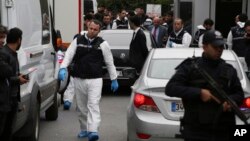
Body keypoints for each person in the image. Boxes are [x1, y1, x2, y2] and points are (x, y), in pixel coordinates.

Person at [165, 30, 244, 141]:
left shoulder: (229, 70)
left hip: (223, 130)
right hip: (196, 130)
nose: (219, 50)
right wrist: (199, 93)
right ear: (205, 46)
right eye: (215, 46)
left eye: (221, 46)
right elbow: (170, 88)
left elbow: (239, 94)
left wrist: (231, 101)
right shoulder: (190, 67)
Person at [58, 20, 119, 141]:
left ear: (99, 31)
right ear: (88, 27)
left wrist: (114, 79)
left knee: (93, 105)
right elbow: (69, 55)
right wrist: (63, 68)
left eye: (95, 30)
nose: (92, 31)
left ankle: (93, 130)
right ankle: (84, 129)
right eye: (91, 28)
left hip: (95, 79)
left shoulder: (103, 44)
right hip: (79, 78)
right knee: (81, 107)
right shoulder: (78, 40)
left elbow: (109, 62)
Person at [0, 27, 29, 141]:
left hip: (9, 99)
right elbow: (5, 74)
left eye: (3, 37)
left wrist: (17, 76)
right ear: (19, 40)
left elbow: (8, 75)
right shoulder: (4, 54)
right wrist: (17, 79)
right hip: (5, 100)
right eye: (1, 37)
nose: (3, 41)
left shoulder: (9, 54)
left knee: (8, 131)